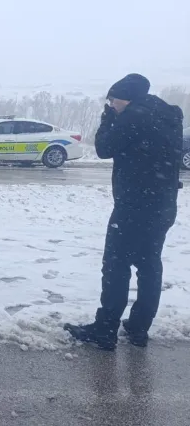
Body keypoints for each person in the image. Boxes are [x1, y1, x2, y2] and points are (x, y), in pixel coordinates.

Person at [65, 74, 183, 350]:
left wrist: (108, 119)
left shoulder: (134, 116)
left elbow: (104, 148)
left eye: (113, 99)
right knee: (149, 264)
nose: (111, 104)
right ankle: (139, 328)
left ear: (125, 97)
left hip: (134, 206)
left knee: (116, 266)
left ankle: (105, 330)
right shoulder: (168, 116)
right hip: (163, 204)